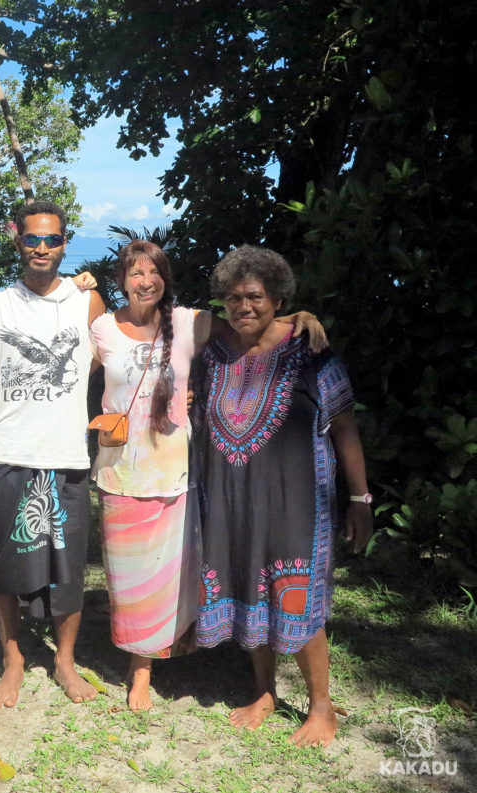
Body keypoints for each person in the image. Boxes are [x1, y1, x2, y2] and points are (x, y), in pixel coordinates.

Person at [90, 240, 327, 712]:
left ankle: (182, 649)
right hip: (120, 473)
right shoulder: (100, 327)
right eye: (135, 273)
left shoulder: (189, 322)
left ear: (165, 279)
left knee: (174, 576)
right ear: (121, 281)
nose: (145, 281)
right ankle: (140, 673)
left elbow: (250, 325)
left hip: (179, 474)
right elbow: (65, 372)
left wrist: (300, 317)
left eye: (154, 272)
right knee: (131, 580)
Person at [194, 245, 372, 747]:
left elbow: (344, 426)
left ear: (277, 298)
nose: (242, 306)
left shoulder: (311, 350)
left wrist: (361, 498)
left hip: (296, 500)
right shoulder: (215, 352)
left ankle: (321, 708)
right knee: (251, 588)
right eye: (232, 298)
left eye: (254, 296)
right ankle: (265, 691)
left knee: (297, 597)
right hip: (232, 498)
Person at [0, 200, 106, 708]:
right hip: (10, 451)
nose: (42, 248)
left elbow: (126, 348)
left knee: (68, 568)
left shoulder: (88, 303)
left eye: (52, 240)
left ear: (65, 243)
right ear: (16, 238)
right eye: (33, 239)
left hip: (66, 452)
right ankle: (14, 661)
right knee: (10, 564)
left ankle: (64, 662)